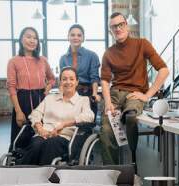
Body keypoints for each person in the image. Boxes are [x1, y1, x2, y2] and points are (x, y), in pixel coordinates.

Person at [100, 12, 169, 165]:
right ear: (110, 30)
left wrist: (148, 95)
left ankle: (132, 160)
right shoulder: (108, 53)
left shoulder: (142, 44)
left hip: (135, 94)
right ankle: (112, 172)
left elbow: (164, 70)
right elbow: (105, 80)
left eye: (120, 24)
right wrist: (108, 102)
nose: (118, 29)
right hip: (115, 94)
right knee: (105, 130)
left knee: (130, 116)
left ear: (127, 25)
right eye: (113, 27)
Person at [20, 67, 94, 165]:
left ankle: (44, 176)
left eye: (71, 79)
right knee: (36, 144)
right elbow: (35, 113)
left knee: (50, 144)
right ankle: (23, 174)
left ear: (77, 82)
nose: (68, 82)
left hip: (64, 138)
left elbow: (89, 116)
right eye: (64, 79)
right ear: (60, 82)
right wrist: (40, 128)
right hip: (44, 134)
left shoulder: (83, 100)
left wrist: (64, 124)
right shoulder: (50, 98)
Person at [7, 27, 55, 150]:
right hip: (22, 101)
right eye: (28, 37)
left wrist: (48, 88)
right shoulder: (13, 61)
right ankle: (20, 163)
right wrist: (18, 111)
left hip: (41, 101)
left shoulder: (43, 60)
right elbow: (11, 87)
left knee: (41, 135)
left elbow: (52, 78)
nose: (32, 40)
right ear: (21, 40)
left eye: (35, 38)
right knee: (21, 136)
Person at [59, 24, 101, 116]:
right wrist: (60, 96)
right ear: (68, 37)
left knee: (86, 125)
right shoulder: (63, 58)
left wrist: (94, 94)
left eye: (79, 35)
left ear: (83, 38)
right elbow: (62, 80)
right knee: (69, 124)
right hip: (69, 95)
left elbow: (94, 77)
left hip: (87, 94)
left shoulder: (92, 55)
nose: (75, 37)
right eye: (72, 35)